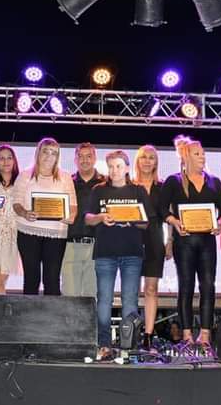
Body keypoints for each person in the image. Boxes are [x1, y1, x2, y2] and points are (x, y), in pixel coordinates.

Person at [159, 136, 221, 346]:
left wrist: (220, 222)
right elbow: (161, 208)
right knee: (186, 286)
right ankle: (187, 335)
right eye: (197, 154)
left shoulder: (214, 181)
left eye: (203, 153)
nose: (202, 157)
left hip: (207, 242)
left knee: (208, 285)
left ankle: (205, 335)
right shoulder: (173, 181)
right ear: (186, 157)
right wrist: (174, 221)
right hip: (184, 243)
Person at [85, 150, 153, 358]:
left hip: (132, 253)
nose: (114, 170)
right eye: (111, 166)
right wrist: (101, 217)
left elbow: (146, 222)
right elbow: (88, 218)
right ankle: (104, 344)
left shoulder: (138, 190)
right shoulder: (98, 190)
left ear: (127, 168)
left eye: (119, 166)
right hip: (105, 252)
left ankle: (128, 346)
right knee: (104, 299)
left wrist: (131, 219)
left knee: (130, 300)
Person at [13, 137, 77, 295]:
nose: (49, 156)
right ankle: (29, 312)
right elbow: (16, 203)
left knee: (52, 279)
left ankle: (52, 313)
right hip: (28, 232)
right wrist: (25, 213)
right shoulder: (25, 175)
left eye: (53, 153)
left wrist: (70, 216)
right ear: (38, 153)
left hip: (56, 234)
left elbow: (73, 205)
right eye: (45, 151)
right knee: (31, 279)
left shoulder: (65, 177)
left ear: (58, 156)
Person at [132, 145, 170, 348]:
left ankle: (148, 335)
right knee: (131, 289)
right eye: (143, 157)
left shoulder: (163, 187)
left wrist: (170, 241)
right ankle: (131, 333)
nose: (147, 161)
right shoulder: (128, 185)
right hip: (131, 237)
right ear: (137, 161)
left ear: (156, 162)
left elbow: (169, 215)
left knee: (151, 288)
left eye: (151, 157)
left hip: (155, 237)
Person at [62, 142, 104, 297]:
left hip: (97, 246)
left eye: (89, 156)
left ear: (95, 158)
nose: (85, 160)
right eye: (80, 156)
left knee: (91, 297)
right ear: (75, 160)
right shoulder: (67, 182)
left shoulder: (105, 183)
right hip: (70, 246)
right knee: (69, 296)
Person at [0, 145, 21, 294]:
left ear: (14, 161)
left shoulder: (21, 183)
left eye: (9, 157)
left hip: (10, 238)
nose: (6, 161)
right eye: (1, 158)